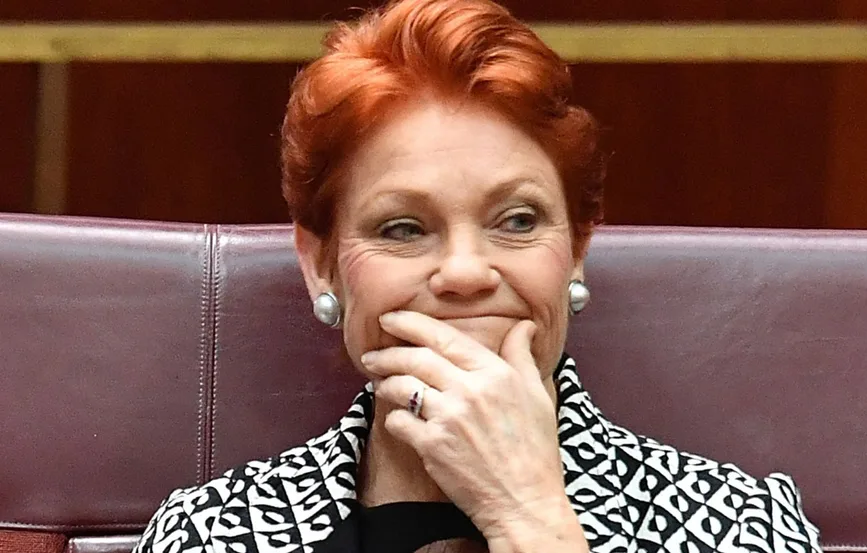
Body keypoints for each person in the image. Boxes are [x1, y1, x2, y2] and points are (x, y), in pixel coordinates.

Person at [133, 0, 822, 551]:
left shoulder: (739, 527)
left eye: (517, 220)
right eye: (403, 228)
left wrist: (529, 517)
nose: (464, 272)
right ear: (321, 265)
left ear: (577, 248)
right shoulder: (209, 534)